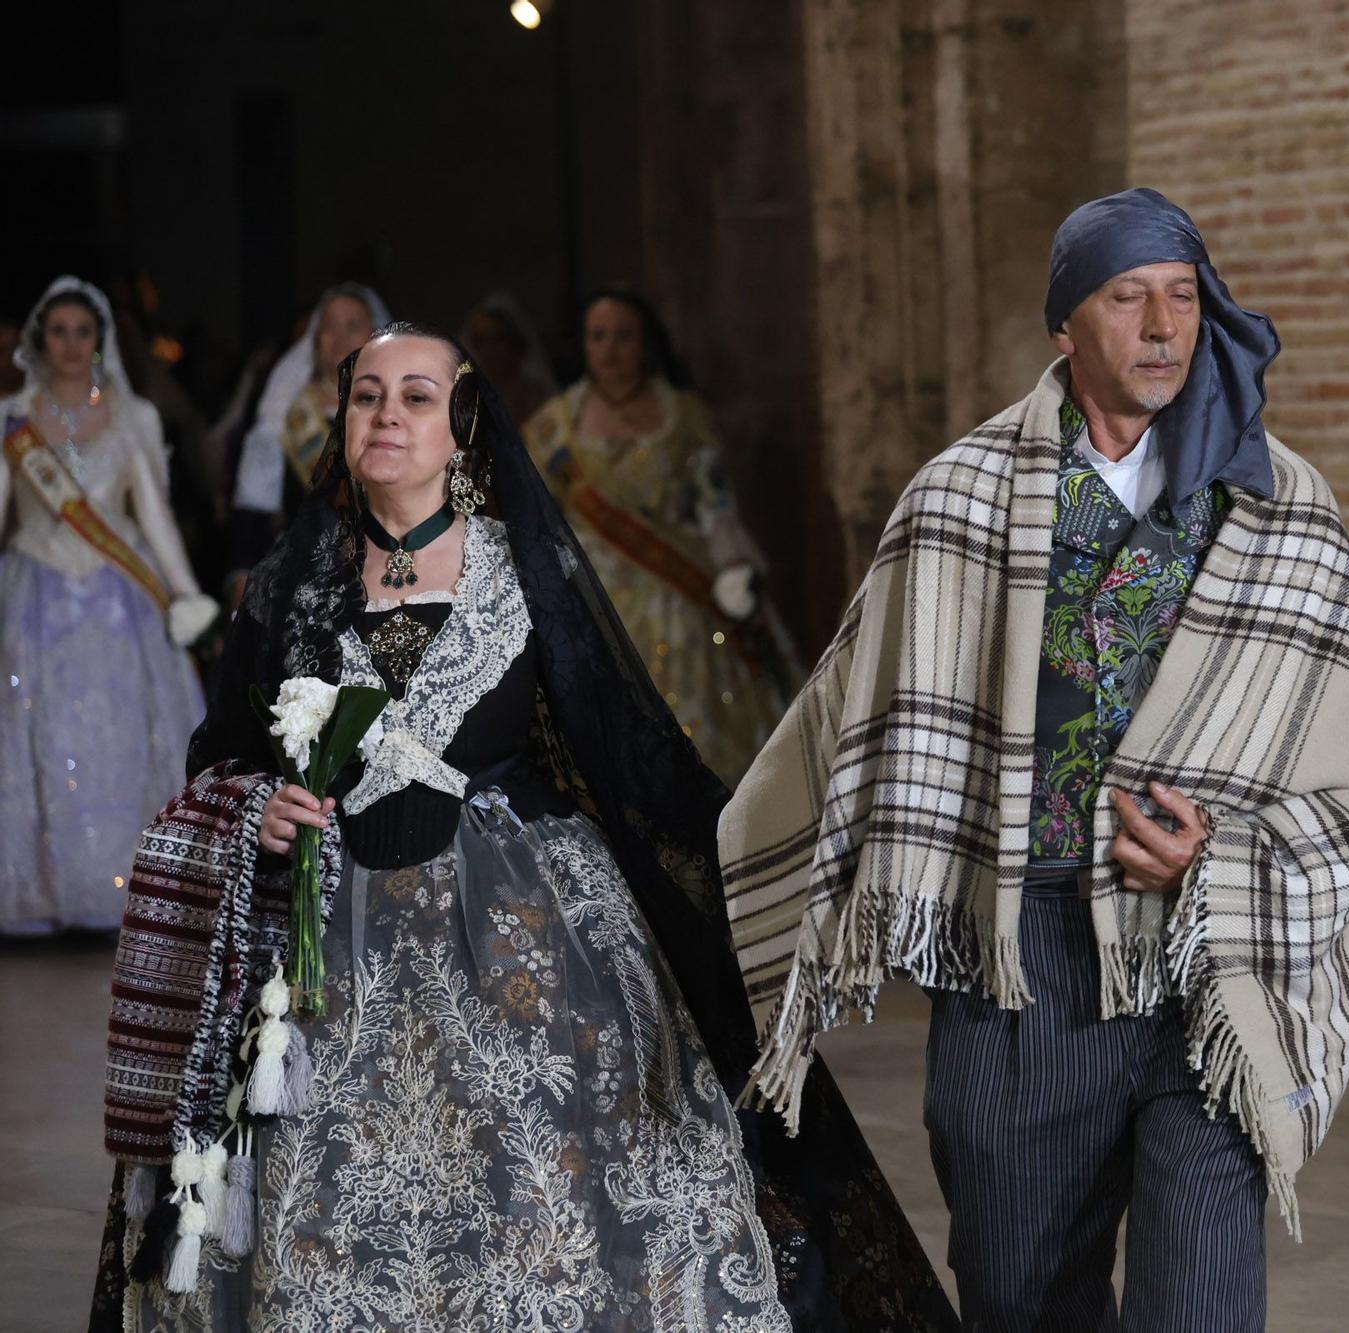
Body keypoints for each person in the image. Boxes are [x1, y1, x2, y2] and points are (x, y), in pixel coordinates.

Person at [92, 325, 956, 1332]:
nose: (386, 416)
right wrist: (256, 804)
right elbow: (223, 751)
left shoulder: (524, 572)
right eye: (366, 396)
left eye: (415, 397)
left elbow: (632, 754)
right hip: (327, 948)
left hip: (522, 933)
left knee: (555, 1168)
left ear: (461, 427)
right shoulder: (294, 578)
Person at [723, 188, 1349, 1330]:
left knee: (1198, 1305)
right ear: (1064, 327)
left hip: (1208, 964)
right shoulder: (961, 497)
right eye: (1126, 296)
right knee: (1019, 1298)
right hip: (1022, 961)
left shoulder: (1281, 505)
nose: (1161, 326)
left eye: (1182, 298)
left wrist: (1222, 855)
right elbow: (858, 703)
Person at [0, 276, 216, 935]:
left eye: (82, 331)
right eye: (58, 331)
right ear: (42, 340)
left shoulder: (133, 417)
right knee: (39, 738)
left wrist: (184, 593)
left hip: (120, 603)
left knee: (120, 738)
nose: (71, 344)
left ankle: (129, 883)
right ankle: (46, 886)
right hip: (35, 591)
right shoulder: (13, 417)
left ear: (100, 341)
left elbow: (152, 516)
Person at [524, 288, 795, 785]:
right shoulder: (551, 428)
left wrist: (737, 575)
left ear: (647, 343)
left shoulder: (685, 418)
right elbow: (535, 523)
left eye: (623, 336)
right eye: (598, 336)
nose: (610, 349)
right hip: (588, 597)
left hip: (678, 593)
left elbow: (716, 506)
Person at [226, 283, 387, 598]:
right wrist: (240, 581)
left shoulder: (398, 414)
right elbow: (254, 508)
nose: (339, 337)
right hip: (302, 580)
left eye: (353, 326)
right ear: (315, 339)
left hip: (383, 577)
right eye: (329, 327)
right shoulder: (287, 412)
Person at [460, 290, 557, 427]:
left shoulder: (539, 398)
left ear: (515, 341)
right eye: (480, 341)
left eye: (498, 339)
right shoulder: (465, 401)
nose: (489, 350)